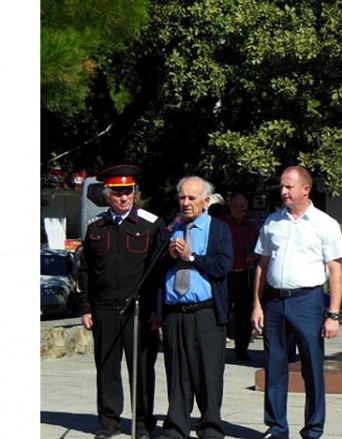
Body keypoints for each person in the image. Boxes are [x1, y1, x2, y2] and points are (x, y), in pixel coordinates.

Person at [252, 166, 342, 439]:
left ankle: (313, 429)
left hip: (308, 301)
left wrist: (333, 314)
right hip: (274, 302)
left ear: (305, 189)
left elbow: (336, 271)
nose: (283, 192)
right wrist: (257, 304)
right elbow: (261, 265)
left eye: (289, 187)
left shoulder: (325, 224)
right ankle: (276, 427)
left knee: (312, 369)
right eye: (282, 187)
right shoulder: (272, 222)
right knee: (274, 366)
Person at [76, 164, 162, 439]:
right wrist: (87, 308)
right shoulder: (95, 228)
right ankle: (109, 422)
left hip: (139, 310)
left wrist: (157, 309)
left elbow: (160, 271)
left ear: (134, 192)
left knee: (141, 369)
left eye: (128, 192)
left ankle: (142, 423)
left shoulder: (150, 224)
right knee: (106, 368)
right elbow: (85, 270)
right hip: (105, 310)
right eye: (117, 193)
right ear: (107, 194)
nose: (123, 198)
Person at [154, 176, 233, 439]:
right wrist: (171, 255)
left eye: (192, 198)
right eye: (182, 197)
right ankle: (176, 427)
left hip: (205, 312)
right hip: (175, 313)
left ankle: (210, 428)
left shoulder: (218, 229)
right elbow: (154, 270)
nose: (186, 203)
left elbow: (222, 266)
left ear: (206, 201)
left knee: (208, 375)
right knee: (177, 374)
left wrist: (191, 257)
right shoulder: (170, 228)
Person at [219, 194, 260, 360]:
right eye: (236, 206)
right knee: (222, 312)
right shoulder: (222, 224)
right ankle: (218, 349)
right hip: (226, 275)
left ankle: (241, 349)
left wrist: (253, 256)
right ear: (230, 207)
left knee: (244, 315)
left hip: (244, 275)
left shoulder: (251, 227)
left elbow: (259, 249)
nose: (240, 210)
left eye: (243, 207)